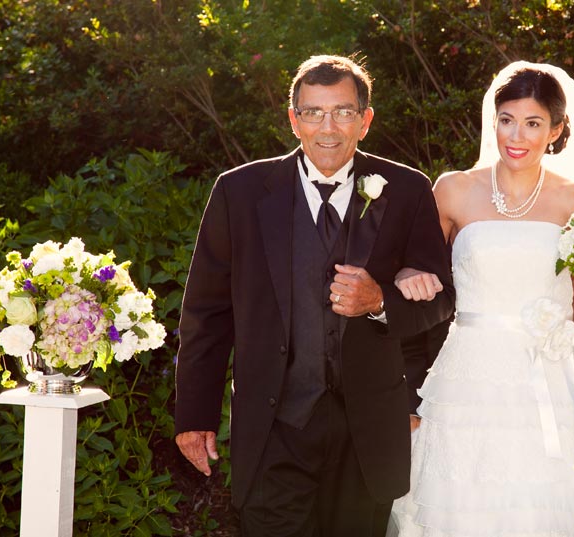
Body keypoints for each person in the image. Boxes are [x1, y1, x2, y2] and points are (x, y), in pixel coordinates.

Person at [173, 54, 455, 537]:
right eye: (313, 113)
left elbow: (442, 300)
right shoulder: (238, 193)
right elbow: (207, 313)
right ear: (293, 120)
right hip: (274, 426)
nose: (328, 127)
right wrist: (195, 415)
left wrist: (381, 301)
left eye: (343, 112)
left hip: (368, 431)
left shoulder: (407, 190)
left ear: (365, 121)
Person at [387, 62, 574, 536]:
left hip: (553, 377)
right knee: (462, 502)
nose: (516, 135)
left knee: (549, 505)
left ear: (556, 130)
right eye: (507, 120)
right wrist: (408, 272)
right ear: (493, 120)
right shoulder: (452, 190)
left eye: (533, 123)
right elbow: (418, 271)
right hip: (469, 378)